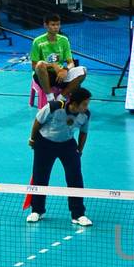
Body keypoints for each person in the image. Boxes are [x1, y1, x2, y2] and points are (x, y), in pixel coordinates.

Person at [27, 88, 92, 227]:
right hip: (45, 143)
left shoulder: (85, 115)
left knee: (75, 178)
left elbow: (83, 132)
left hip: (67, 145)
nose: (87, 107)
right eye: (85, 104)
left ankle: (78, 214)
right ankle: (37, 211)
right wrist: (33, 139)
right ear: (74, 103)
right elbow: (38, 121)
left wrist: (79, 150)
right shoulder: (54, 107)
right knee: (40, 177)